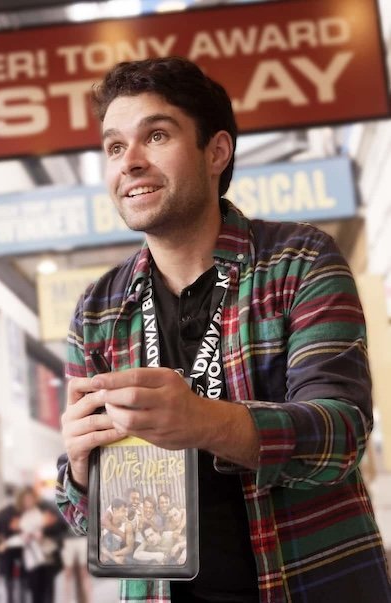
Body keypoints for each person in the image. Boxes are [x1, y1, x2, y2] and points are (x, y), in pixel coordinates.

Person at [56, 57, 391, 602]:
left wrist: (201, 421)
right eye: (115, 147)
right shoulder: (97, 309)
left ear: (216, 151)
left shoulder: (300, 259)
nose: (130, 162)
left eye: (156, 135)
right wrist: (78, 465)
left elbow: (342, 434)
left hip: (305, 585)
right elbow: (82, 515)